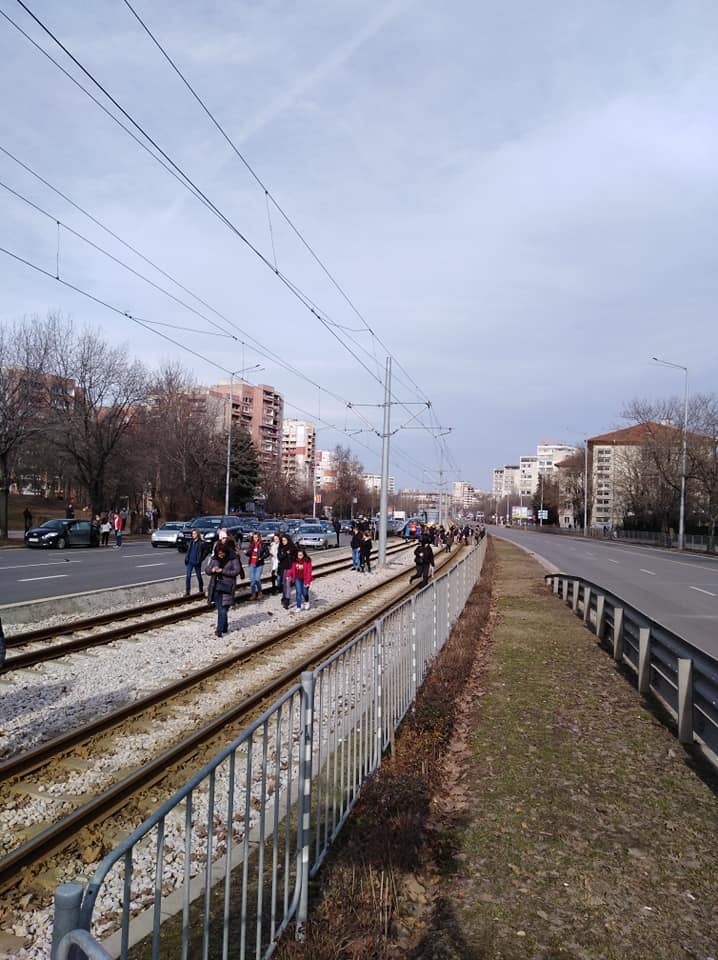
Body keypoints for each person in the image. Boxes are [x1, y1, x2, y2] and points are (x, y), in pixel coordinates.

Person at [205, 542, 242, 636]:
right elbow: (207, 570)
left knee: (223, 608)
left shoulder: (233, 559)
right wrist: (212, 570)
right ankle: (224, 627)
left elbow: (237, 571)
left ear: (226, 552)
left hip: (227, 586)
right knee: (220, 608)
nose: (220, 556)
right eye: (219, 554)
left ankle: (219, 630)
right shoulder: (214, 559)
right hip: (216, 586)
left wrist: (223, 571)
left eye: (222, 554)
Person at [184, 528, 210, 596]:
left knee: (199, 576)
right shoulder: (191, 542)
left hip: (197, 562)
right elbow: (188, 551)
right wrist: (186, 558)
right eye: (192, 534)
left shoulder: (201, 543)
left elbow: (206, 551)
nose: (193, 535)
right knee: (188, 576)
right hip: (190, 561)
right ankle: (187, 591)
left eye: (194, 534)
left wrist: (201, 559)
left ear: (198, 534)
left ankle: (201, 590)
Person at [245, 531, 269, 600]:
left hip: (259, 564)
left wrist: (261, 557)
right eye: (254, 537)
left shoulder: (262, 544)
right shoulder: (251, 544)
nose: (255, 539)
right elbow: (249, 554)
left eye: (256, 537)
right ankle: (253, 594)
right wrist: (246, 553)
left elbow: (267, 553)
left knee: (257, 579)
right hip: (252, 563)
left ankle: (260, 592)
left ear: (259, 537)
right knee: (252, 581)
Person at [277, 534, 297, 609]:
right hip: (283, 568)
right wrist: (285, 553)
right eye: (282, 540)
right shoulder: (280, 548)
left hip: (290, 568)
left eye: (285, 540)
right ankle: (284, 597)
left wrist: (291, 554)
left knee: (288, 583)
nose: (283, 542)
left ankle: (287, 600)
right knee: (284, 584)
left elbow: (296, 557)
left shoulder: (293, 548)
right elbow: (279, 557)